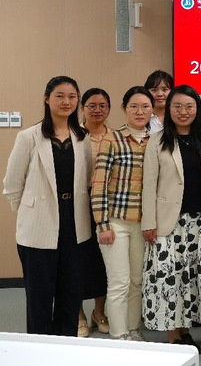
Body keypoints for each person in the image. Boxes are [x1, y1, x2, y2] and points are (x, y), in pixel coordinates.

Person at [3, 76, 92, 336]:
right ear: (46, 99)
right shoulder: (28, 136)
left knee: (70, 293)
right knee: (39, 297)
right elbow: (12, 184)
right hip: (38, 225)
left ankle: (65, 345)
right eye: (59, 96)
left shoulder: (82, 137)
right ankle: (39, 349)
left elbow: (87, 178)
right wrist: (30, 213)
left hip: (74, 223)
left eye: (72, 96)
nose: (66, 102)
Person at [141, 85, 201, 352]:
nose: (184, 112)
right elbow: (148, 185)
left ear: (197, 109)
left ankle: (186, 330)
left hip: (198, 221)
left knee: (190, 278)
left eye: (189, 106)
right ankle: (173, 333)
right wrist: (148, 222)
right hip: (167, 222)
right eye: (178, 106)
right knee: (168, 277)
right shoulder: (157, 141)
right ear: (169, 109)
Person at [91, 86, 153, 341]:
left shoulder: (156, 140)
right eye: (133, 106)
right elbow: (99, 185)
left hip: (143, 224)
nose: (140, 111)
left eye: (145, 107)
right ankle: (118, 335)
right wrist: (102, 224)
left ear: (152, 110)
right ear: (124, 109)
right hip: (115, 222)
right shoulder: (112, 139)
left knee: (137, 281)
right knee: (119, 282)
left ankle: (133, 329)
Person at [77, 88, 111, 337]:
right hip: (78, 203)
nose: (97, 110)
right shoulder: (74, 135)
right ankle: (78, 315)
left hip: (108, 203)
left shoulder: (115, 136)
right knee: (76, 259)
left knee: (103, 260)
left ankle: (99, 312)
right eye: (92, 105)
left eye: (102, 105)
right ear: (82, 109)